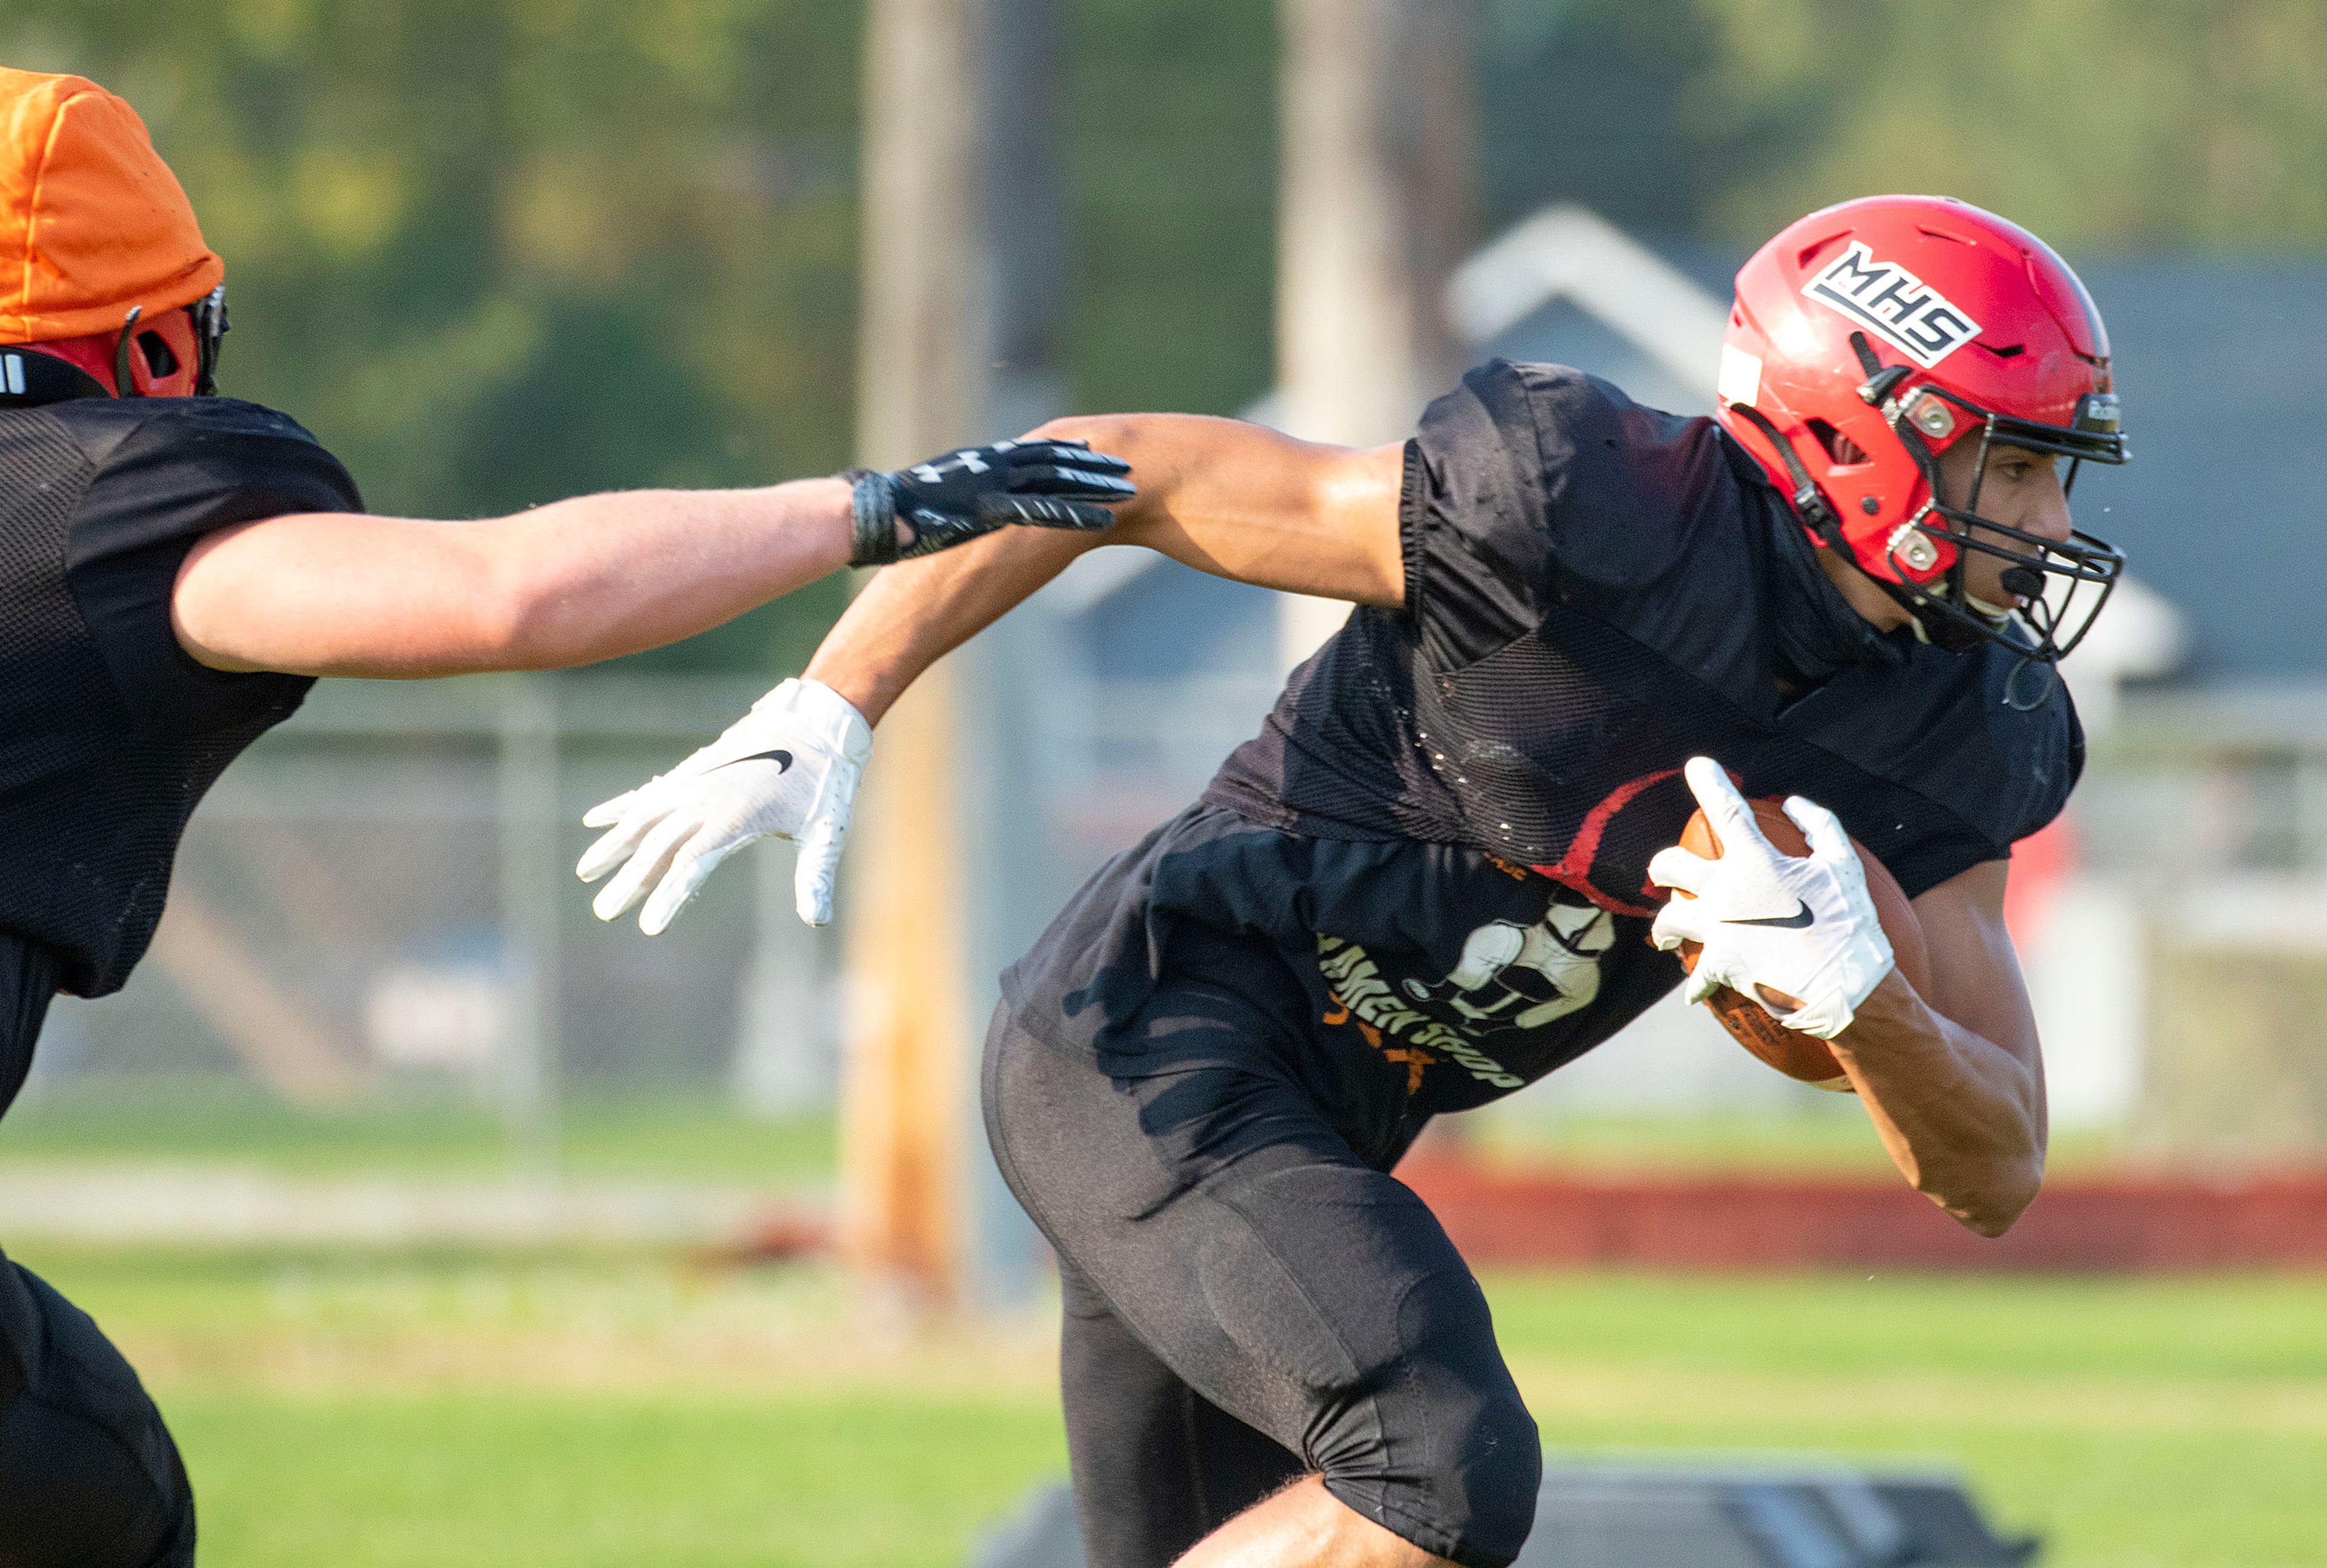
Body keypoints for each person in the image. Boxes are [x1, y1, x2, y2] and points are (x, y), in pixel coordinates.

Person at [586, 194, 2128, 1568]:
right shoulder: (1578, 511)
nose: (2049, 529)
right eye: (2016, 467)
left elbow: (1996, 1162)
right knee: (1443, 1465)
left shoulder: (1959, 724)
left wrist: (1867, 1006)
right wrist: (839, 692)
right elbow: (1127, 469)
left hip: (1318, 1138)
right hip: (1151, 1035)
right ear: (1859, 424)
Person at [0, 67, 1133, 1568]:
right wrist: (882, 508)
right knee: (110, 1509)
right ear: (147, 341)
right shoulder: (82, 497)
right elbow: (507, 589)